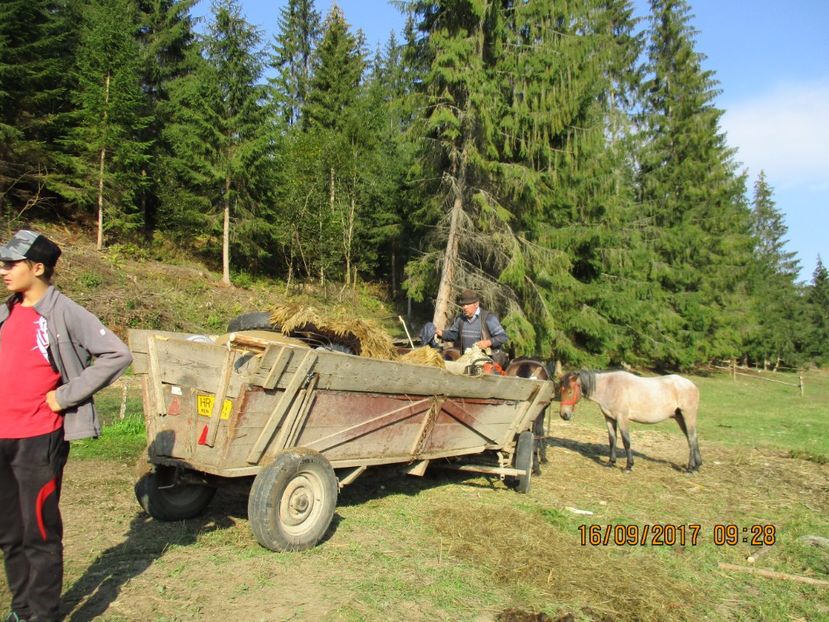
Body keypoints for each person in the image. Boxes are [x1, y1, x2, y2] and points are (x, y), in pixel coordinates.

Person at [0, 230, 132, 622]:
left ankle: (41, 615)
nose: (4, 270)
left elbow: (117, 354)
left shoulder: (63, 312)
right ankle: (22, 610)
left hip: (38, 439)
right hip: (2, 436)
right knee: (9, 533)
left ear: (37, 267)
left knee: (38, 530)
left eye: (11, 263)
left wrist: (65, 396)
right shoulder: (6, 311)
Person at [436, 288, 508, 365]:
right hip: (467, 361)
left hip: (487, 363)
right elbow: (454, 335)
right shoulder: (460, 319)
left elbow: (503, 337)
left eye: (467, 304)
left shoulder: (488, 318)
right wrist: (441, 333)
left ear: (476, 304)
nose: (464, 307)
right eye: (463, 305)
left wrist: (488, 342)